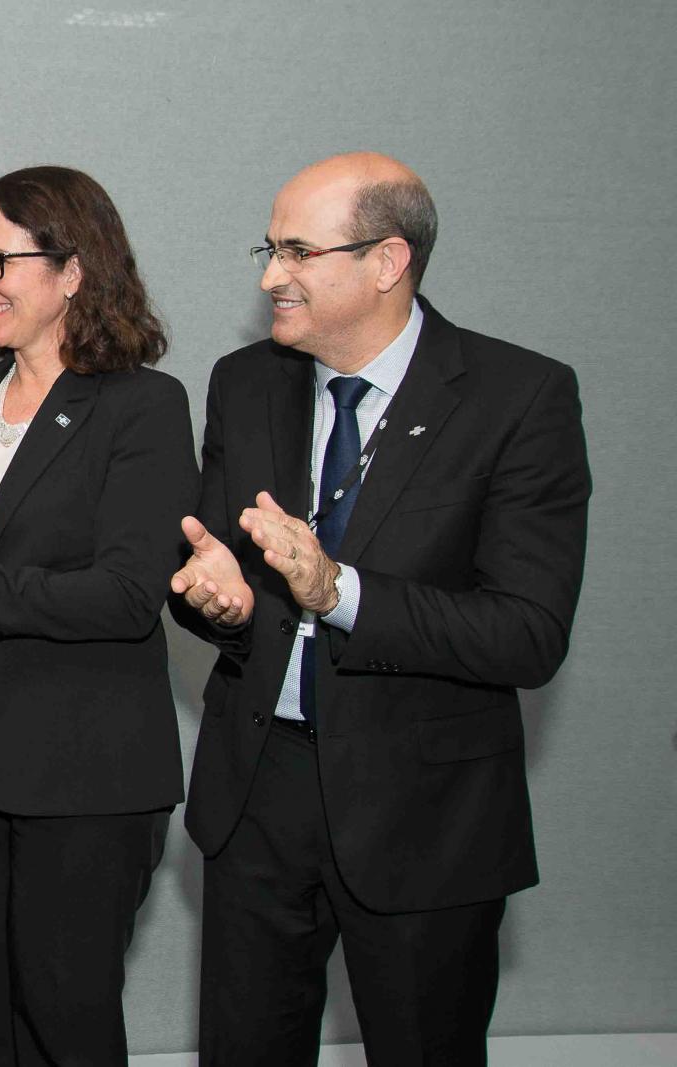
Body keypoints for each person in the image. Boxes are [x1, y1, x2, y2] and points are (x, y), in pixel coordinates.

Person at [170, 152, 591, 1065]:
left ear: (388, 261)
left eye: (296, 251)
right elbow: (221, 582)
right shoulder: (246, 384)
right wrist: (223, 606)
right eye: (268, 247)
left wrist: (340, 594)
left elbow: (527, 632)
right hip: (257, 796)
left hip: (425, 812)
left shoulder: (518, 398)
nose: (270, 275)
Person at [0, 165, 199, 1065]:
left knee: (66, 1021)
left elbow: (130, 594)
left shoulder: (144, 407)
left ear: (74, 271)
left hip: (85, 776)